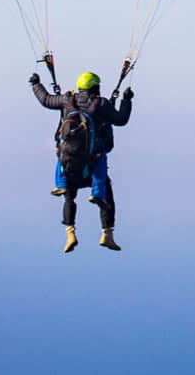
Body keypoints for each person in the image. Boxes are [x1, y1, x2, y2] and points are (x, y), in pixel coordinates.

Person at [29, 68, 134, 253]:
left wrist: (36, 83)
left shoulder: (67, 100)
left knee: (69, 196)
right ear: (96, 88)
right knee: (106, 194)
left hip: (70, 164)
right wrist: (126, 99)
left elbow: (46, 99)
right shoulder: (100, 104)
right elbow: (121, 119)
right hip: (94, 162)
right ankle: (106, 234)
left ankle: (70, 233)